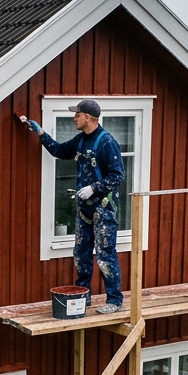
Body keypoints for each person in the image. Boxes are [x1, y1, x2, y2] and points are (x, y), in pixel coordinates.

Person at [22, 99, 126, 313]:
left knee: (106, 255)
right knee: (81, 253)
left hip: (103, 208)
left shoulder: (107, 142)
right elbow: (59, 151)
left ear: (89, 117)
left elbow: (118, 176)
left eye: (77, 114)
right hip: (84, 209)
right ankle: (84, 296)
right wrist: (40, 132)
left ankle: (114, 300)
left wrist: (94, 188)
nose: (74, 118)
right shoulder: (80, 141)